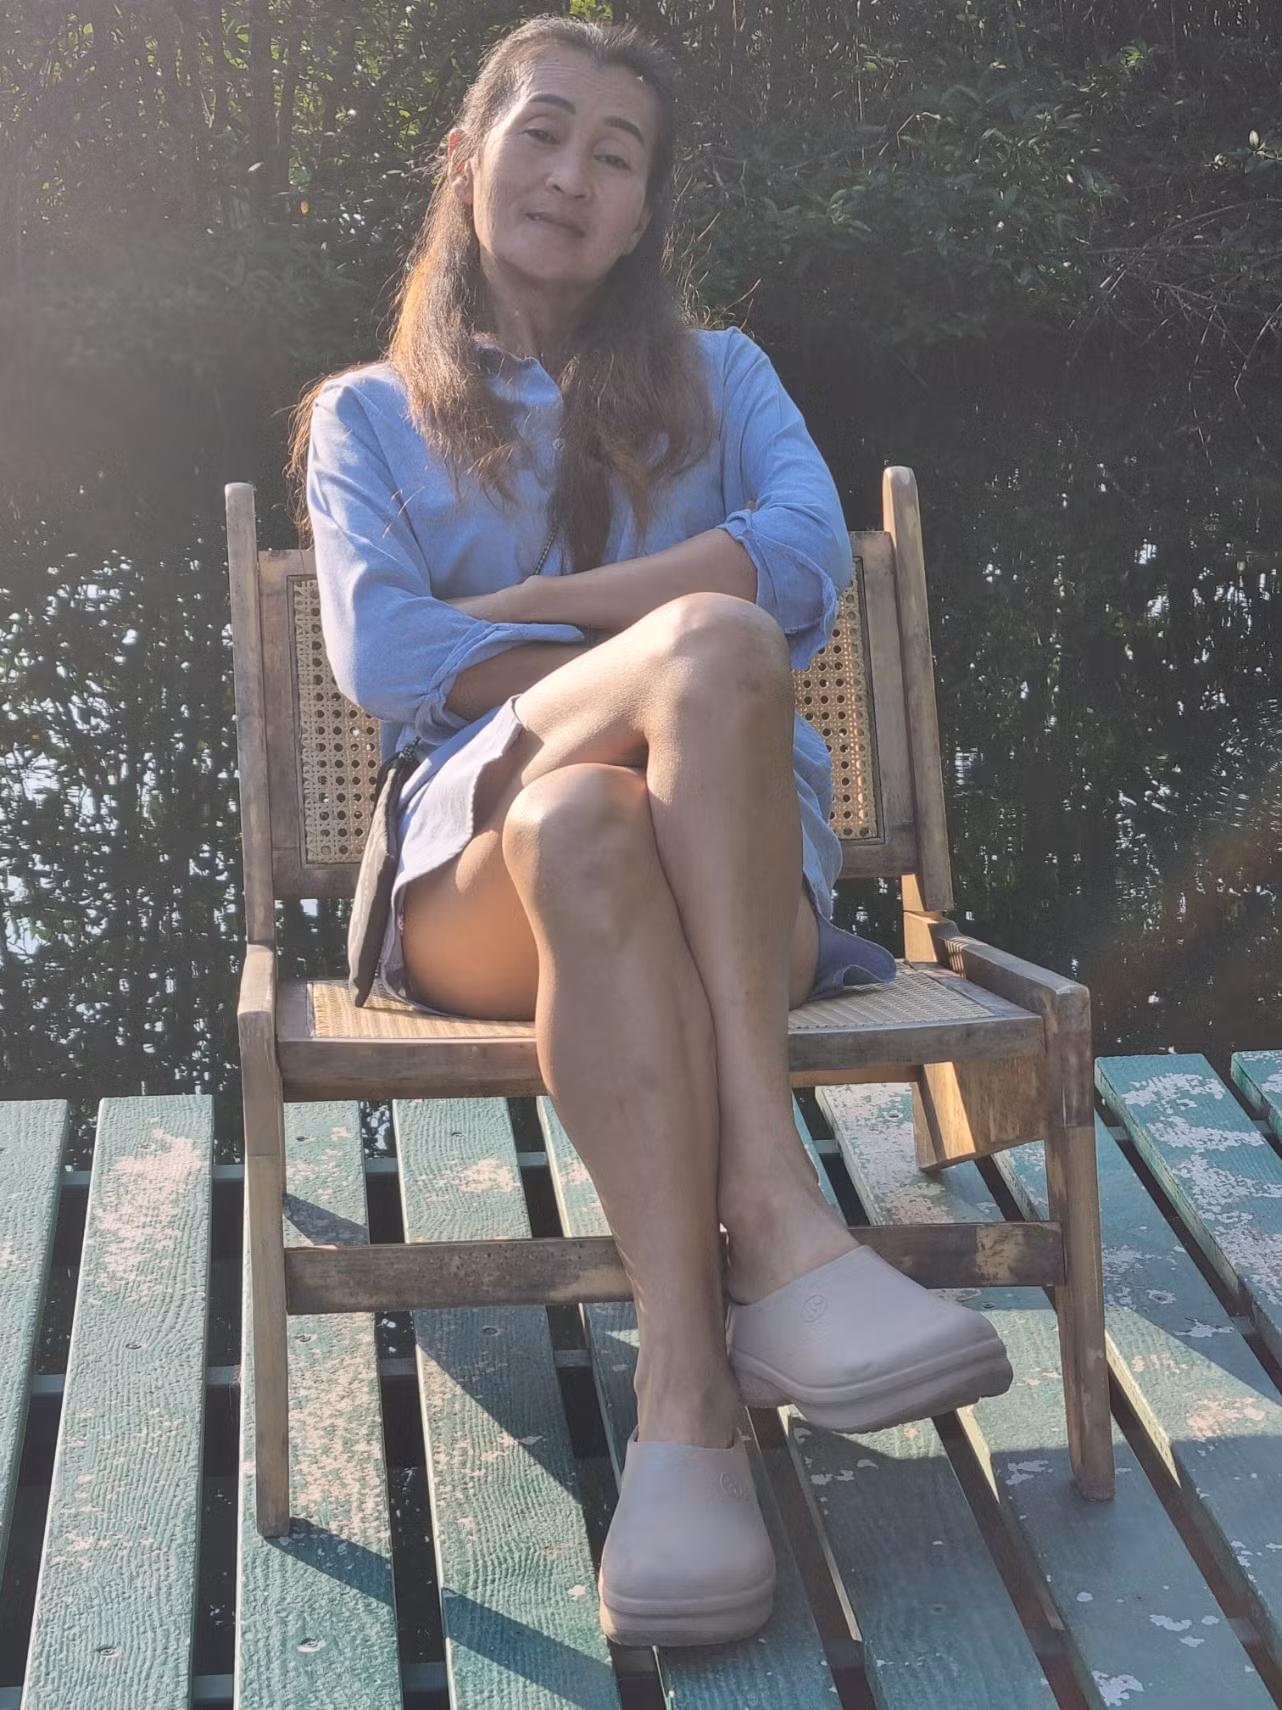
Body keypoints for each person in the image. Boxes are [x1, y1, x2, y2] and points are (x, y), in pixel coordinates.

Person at [292, 14, 1012, 1650]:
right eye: (541, 132)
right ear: (467, 159)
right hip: (466, 885)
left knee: (596, 814)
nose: (570, 173)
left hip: (726, 883)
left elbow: (803, 559)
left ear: (640, 215)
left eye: (613, 156)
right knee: (705, 649)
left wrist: (521, 616)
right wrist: (663, 638)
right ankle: (779, 1217)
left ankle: (685, 1392)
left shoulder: (724, 379)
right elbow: (389, 658)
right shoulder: (367, 416)